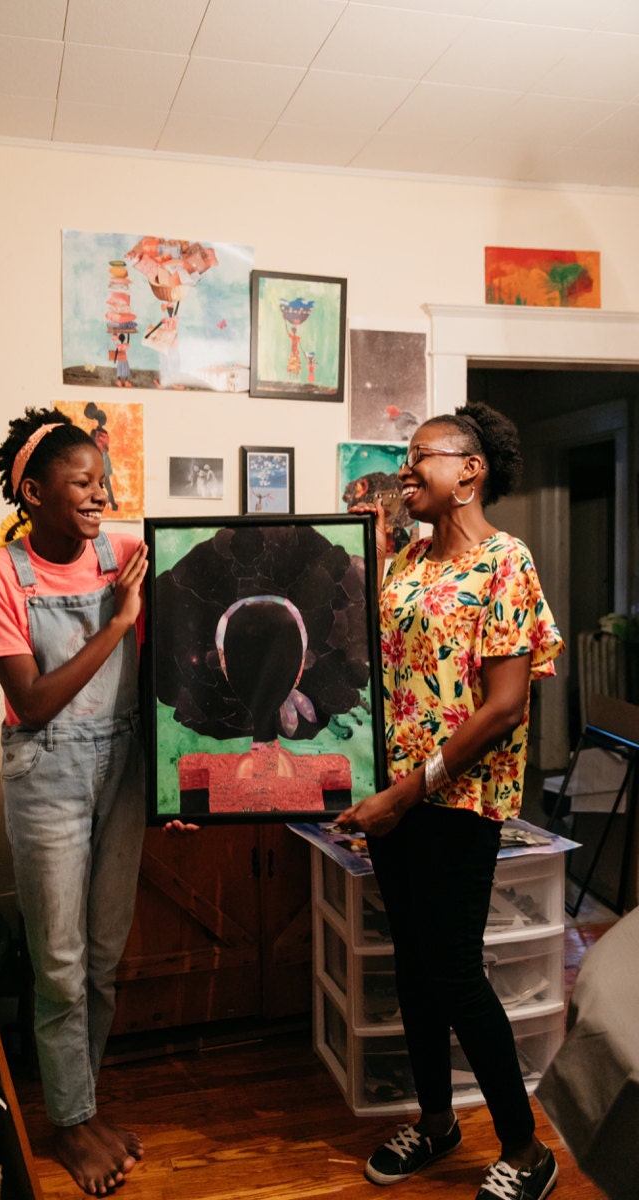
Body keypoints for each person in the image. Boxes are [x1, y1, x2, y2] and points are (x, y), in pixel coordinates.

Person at [336, 401, 564, 1200]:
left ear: (469, 469)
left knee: (456, 972)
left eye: (420, 456)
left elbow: (503, 706)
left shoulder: (508, 562)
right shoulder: (407, 563)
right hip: (397, 801)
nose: (406, 470)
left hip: (457, 802)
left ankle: (527, 1150)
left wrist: (408, 790)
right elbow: (385, 681)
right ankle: (437, 1121)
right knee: (413, 969)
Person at [0, 407, 149, 1195]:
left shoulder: (132, 553)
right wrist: (118, 624)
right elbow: (32, 702)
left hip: (126, 768)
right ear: (32, 492)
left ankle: (85, 1102)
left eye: (103, 482)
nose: (99, 495)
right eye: (81, 482)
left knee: (103, 958)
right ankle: (69, 1123)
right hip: (48, 771)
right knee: (61, 963)